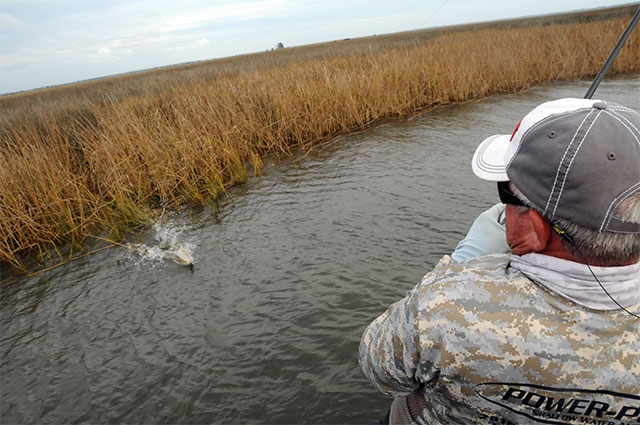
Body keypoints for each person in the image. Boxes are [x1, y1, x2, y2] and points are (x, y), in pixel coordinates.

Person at [359, 98, 640, 425]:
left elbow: (380, 369)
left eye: (505, 194)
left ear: (535, 229)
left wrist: (459, 267)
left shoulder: (446, 307)